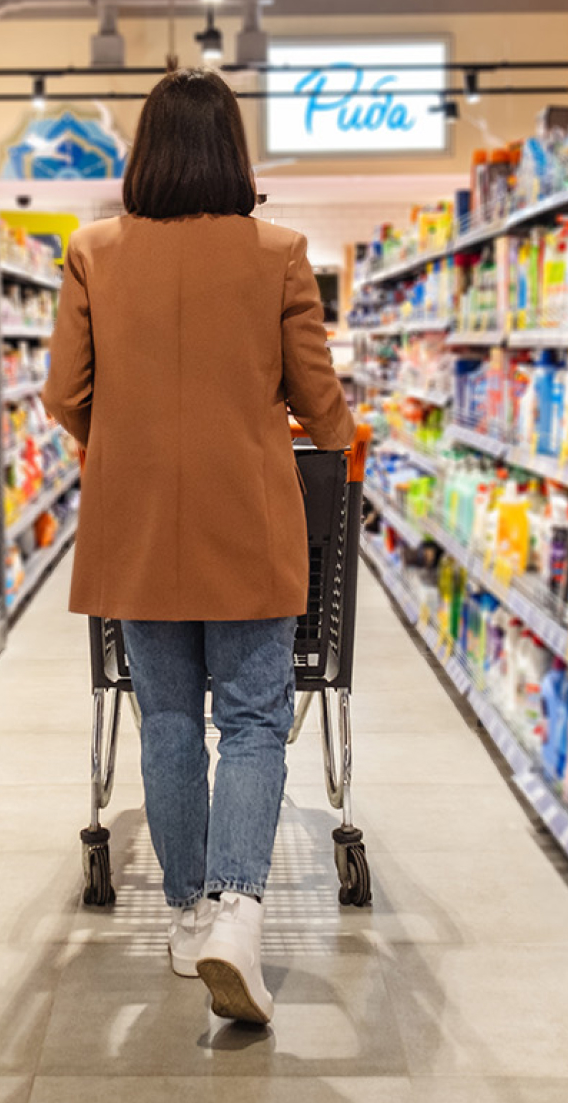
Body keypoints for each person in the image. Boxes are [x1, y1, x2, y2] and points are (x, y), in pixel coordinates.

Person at [43, 68, 354, 1025]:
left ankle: (185, 912)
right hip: (250, 524)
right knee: (255, 722)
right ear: (232, 152)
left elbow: (63, 394)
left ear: (144, 151)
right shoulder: (280, 252)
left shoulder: (92, 252)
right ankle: (239, 910)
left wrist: (125, 428)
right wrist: (334, 438)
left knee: (168, 721)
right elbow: (317, 401)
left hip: (135, 526)